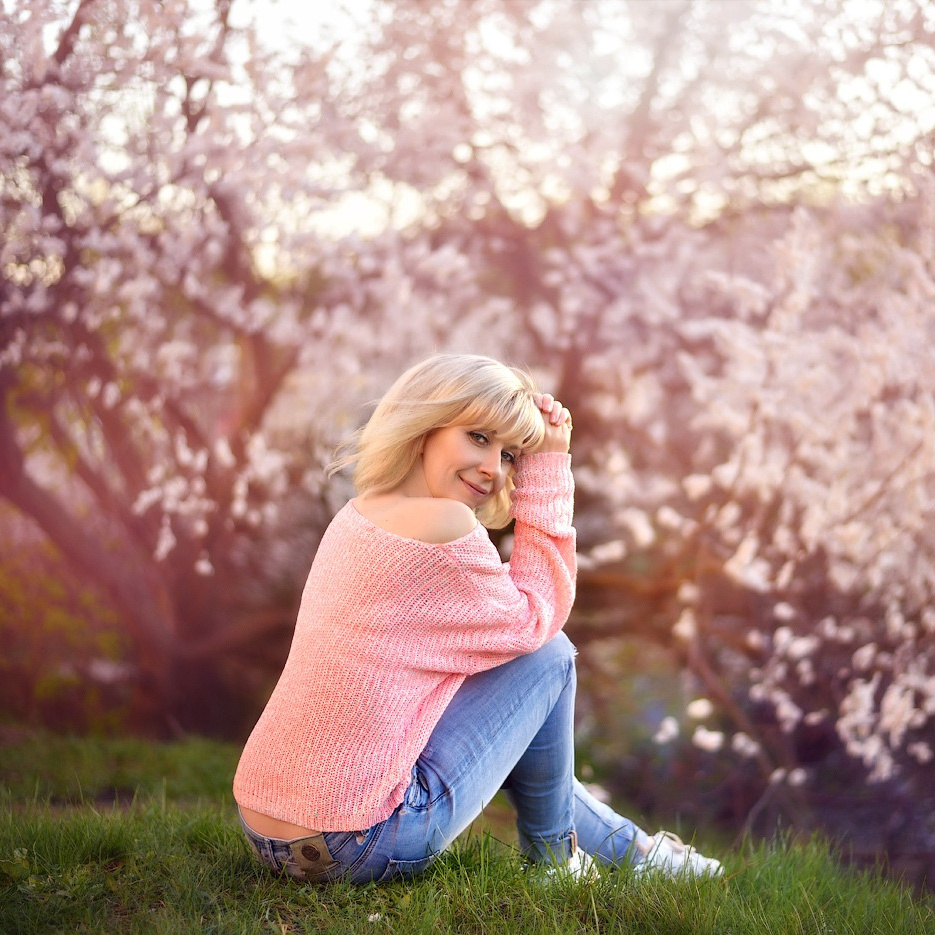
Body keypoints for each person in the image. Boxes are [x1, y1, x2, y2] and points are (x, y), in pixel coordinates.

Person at [233, 353, 722, 884]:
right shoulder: (446, 524)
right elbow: (539, 618)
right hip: (356, 842)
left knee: (518, 703)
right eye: (478, 437)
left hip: (267, 828)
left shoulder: (358, 515)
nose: (495, 468)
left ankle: (639, 855)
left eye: (512, 455)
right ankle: (557, 864)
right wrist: (552, 468)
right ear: (426, 427)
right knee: (549, 654)